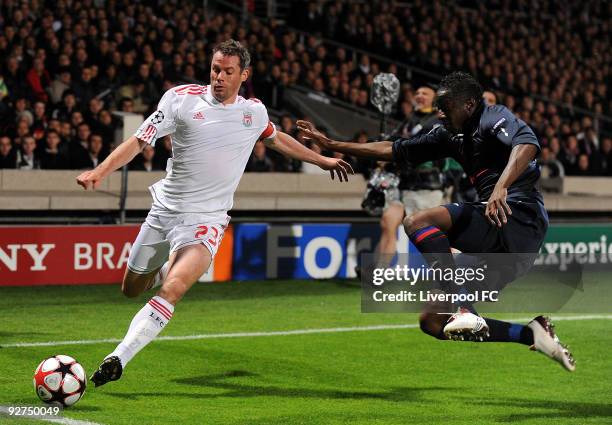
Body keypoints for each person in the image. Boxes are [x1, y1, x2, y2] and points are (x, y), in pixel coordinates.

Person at [76, 39, 353, 387]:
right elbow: (139, 140)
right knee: (131, 289)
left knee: (172, 289)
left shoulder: (254, 112)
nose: (219, 77)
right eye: (215, 69)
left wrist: (323, 159)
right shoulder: (180, 99)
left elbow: (277, 139)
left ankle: (119, 357)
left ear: (244, 75)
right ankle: (161, 264)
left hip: (207, 221)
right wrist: (100, 172)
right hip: (164, 213)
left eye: (228, 71)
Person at [297, 72, 575, 372]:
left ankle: (464, 304)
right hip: (496, 233)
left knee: (418, 221)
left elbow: (527, 143)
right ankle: (530, 333)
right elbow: (394, 149)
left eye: (446, 105)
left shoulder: (493, 116)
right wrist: (333, 144)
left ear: (468, 104)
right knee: (432, 321)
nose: (439, 112)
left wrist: (501, 186)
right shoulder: (448, 136)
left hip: (519, 215)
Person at [373, 85, 445, 269]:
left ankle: (456, 273)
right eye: (417, 92)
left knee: (434, 238)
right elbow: (395, 143)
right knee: (387, 221)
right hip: (404, 186)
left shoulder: (439, 121)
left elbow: (419, 148)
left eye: (425, 93)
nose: (419, 95)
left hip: (427, 188)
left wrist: (395, 152)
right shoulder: (409, 120)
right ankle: (378, 272)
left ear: (434, 99)